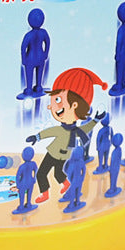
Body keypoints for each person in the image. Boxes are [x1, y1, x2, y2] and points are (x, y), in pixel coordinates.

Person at [26, 67, 107, 203]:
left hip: (57, 154)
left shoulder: (71, 131)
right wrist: (37, 137)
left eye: (57, 100)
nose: (50, 107)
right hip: (61, 154)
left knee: (45, 173)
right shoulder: (71, 130)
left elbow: (52, 132)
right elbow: (50, 132)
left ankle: (48, 192)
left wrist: (96, 120)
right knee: (55, 173)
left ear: (74, 105)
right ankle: (61, 185)